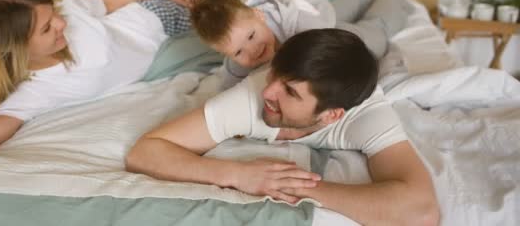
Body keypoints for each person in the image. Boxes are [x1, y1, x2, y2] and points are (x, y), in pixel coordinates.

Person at [126, 29, 439, 226]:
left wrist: (298, 187)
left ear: (332, 116)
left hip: (359, 62)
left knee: (378, 34)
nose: (268, 92)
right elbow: (145, 152)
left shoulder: (368, 114)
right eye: (274, 75)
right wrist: (237, 174)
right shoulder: (251, 96)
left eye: (290, 92)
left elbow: (421, 212)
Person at [0, 0, 193, 153]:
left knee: (228, 21)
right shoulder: (36, 91)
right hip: (166, 55)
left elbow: (105, 3)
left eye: (53, 13)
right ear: (18, 48)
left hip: (157, 14)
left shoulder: (65, 6)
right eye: (47, 28)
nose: (61, 22)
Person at [189, 0, 387, 90]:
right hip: (309, 30)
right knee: (359, 21)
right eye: (238, 52)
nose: (252, 50)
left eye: (251, 36)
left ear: (259, 15)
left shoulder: (298, 24)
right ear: (227, 55)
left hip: (319, 27)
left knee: (369, 38)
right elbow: (227, 90)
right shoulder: (236, 67)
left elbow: (323, 55)